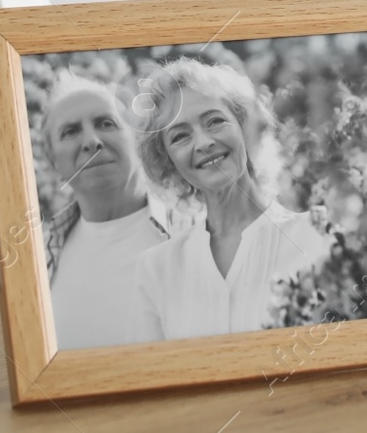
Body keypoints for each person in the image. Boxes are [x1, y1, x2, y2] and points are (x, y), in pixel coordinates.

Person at [135, 58, 328, 340]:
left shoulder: (315, 236)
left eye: (214, 121)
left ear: (246, 128)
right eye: (180, 137)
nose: (203, 143)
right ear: (168, 162)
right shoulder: (156, 270)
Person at [41, 73, 167, 349]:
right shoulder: (37, 261)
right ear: (53, 162)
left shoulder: (196, 230)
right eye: (70, 131)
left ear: (136, 139)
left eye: (105, 123)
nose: (92, 141)